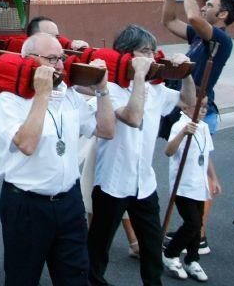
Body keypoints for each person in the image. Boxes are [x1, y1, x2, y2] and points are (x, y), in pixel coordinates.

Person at [0, 33, 114, 285]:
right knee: (22, 279)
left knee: (75, 278)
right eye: (52, 59)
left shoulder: (68, 94)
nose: (60, 65)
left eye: (61, 58)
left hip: (68, 203)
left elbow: (105, 130)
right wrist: (42, 94)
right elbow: (26, 144)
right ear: (29, 60)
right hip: (27, 206)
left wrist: (102, 90)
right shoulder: (11, 99)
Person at [87, 24, 196, 286]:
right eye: (143, 52)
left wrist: (185, 72)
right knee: (99, 245)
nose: (149, 59)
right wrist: (138, 76)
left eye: (152, 52)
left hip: (144, 183)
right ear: (126, 55)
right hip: (112, 181)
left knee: (151, 243)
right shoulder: (109, 89)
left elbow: (188, 101)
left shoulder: (155, 89)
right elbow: (133, 117)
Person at [161, 0, 234, 253]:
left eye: (211, 6)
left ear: (223, 16)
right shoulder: (199, 38)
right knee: (186, 171)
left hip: (203, 112)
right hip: (185, 108)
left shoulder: (221, 41)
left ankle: (197, 234)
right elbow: (170, 21)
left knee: (198, 174)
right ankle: (192, 232)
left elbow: (193, 18)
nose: (204, 6)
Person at [162, 102, 220, 281]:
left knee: (197, 225)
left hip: (199, 184)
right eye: (198, 106)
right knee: (193, 223)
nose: (203, 110)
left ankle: (192, 259)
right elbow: (169, 151)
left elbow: (206, 155)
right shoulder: (179, 126)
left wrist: (214, 178)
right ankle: (171, 254)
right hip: (183, 185)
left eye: (205, 107)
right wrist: (183, 133)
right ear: (185, 108)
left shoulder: (203, 127)